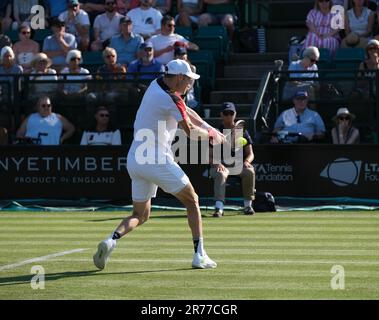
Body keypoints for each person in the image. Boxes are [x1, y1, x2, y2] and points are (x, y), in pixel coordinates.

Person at [93, 59, 226, 270]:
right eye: (189, 80)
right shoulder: (172, 99)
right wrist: (211, 135)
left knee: (140, 214)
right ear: (180, 78)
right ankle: (199, 255)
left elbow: (187, 112)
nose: (190, 85)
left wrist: (211, 127)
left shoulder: (157, 84)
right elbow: (190, 131)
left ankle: (111, 240)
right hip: (155, 160)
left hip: (135, 160)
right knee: (193, 201)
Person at [210, 102, 256, 217]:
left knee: (249, 171)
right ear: (221, 115)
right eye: (226, 113)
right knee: (221, 174)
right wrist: (217, 164)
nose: (229, 116)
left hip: (238, 165)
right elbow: (209, 156)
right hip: (219, 165)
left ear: (235, 114)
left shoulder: (242, 132)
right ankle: (219, 208)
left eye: (231, 113)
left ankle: (248, 206)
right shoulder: (215, 132)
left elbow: (250, 153)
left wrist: (247, 161)